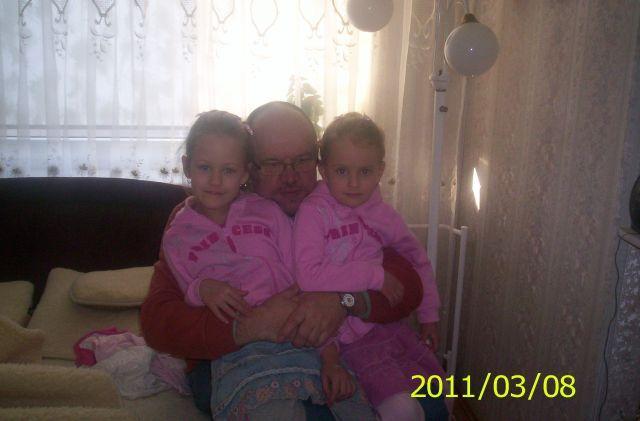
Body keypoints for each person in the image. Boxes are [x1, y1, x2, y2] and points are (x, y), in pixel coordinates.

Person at [140, 102, 438, 419]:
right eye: (273, 164)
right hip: (229, 355)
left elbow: (406, 281)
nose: (290, 176)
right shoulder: (194, 223)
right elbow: (157, 322)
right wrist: (248, 326)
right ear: (249, 169)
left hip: (332, 347)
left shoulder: (341, 202)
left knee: (428, 407)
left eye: (302, 160)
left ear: (319, 161)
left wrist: (343, 301)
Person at [293, 113, 445, 420]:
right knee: (400, 409)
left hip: (387, 326)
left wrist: (429, 315)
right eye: (341, 171)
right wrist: (374, 276)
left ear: (380, 171)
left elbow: (417, 259)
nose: (353, 183)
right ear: (324, 170)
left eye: (364, 171)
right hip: (341, 338)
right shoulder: (313, 212)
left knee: (442, 394)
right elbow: (308, 275)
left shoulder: (383, 215)